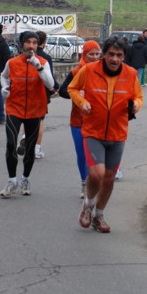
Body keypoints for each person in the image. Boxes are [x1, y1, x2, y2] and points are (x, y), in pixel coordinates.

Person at [68, 36, 143, 233]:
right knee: (96, 173)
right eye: (111, 54)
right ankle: (88, 205)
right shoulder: (89, 70)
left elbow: (138, 96)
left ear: (124, 56)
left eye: (119, 55)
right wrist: (81, 103)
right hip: (93, 131)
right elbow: (72, 88)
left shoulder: (131, 74)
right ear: (104, 54)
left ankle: (99, 215)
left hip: (118, 133)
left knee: (109, 178)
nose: (115, 59)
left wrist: (136, 105)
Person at [0, 30, 54, 198]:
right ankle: (11, 180)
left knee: (29, 149)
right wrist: (4, 88)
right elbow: (3, 76)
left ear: (38, 45)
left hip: (34, 110)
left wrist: (38, 66)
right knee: (10, 143)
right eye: (28, 42)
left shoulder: (43, 62)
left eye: (35, 43)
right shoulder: (12, 63)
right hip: (14, 107)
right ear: (22, 44)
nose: (31, 46)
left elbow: (50, 84)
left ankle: (25, 178)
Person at [59, 40, 101, 199]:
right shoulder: (76, 71)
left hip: (97, 120)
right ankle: (85, 183)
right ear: (84, 54)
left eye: (97, 54)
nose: (95, 57)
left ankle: (94, 182)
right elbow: (63, 91)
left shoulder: (104, 71)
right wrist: (77, 95)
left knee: (95, 154)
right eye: (92, 54)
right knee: (82, 154)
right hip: (78, 120)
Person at [33, 30, 59, 159]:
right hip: (42, 92)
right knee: (40, 121)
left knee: (27, 119)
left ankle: (25, 138)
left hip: (28, 91)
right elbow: (50, 78)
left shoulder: (26, 55)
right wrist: (55, 88)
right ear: (44, 42)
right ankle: (36, 148)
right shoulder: (45, 58)